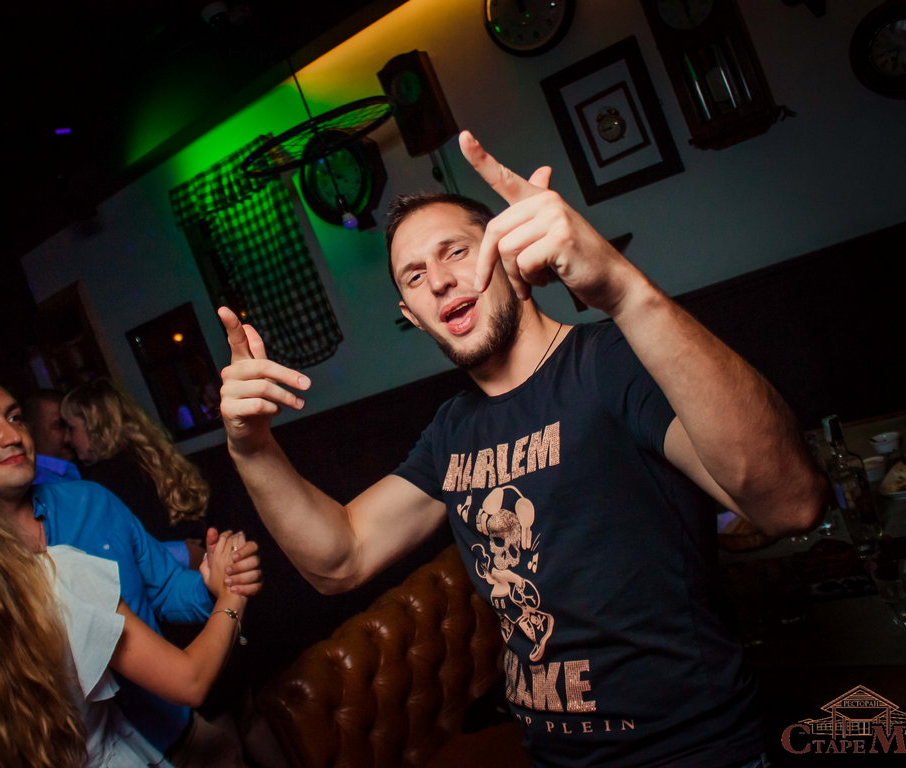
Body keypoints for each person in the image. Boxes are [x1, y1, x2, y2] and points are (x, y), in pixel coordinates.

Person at [215, 130, 829, 767]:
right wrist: (251, 447)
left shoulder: (611, 362)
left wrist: (622, 290)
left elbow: (791, 503)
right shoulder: (453, 430)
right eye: (415, 276)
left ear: (508, 255)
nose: (441, 281)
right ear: (412, 314)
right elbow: (340, 558)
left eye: (456, 252)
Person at [0, 377, 261, 761]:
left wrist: (216, 583)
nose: (11, 436)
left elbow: (164, 588)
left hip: (175, 733)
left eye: (14, 418)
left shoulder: (91, 502)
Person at [61, 378, 208, 543]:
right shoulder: (149, 457)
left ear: (94, 426)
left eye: (71, 428)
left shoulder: (109, 476)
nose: (67, 438)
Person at [22, 388, 82, 484]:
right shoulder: (40, 484)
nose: (69, 437)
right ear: (29, 431)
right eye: (59, 426)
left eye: (71, 427)